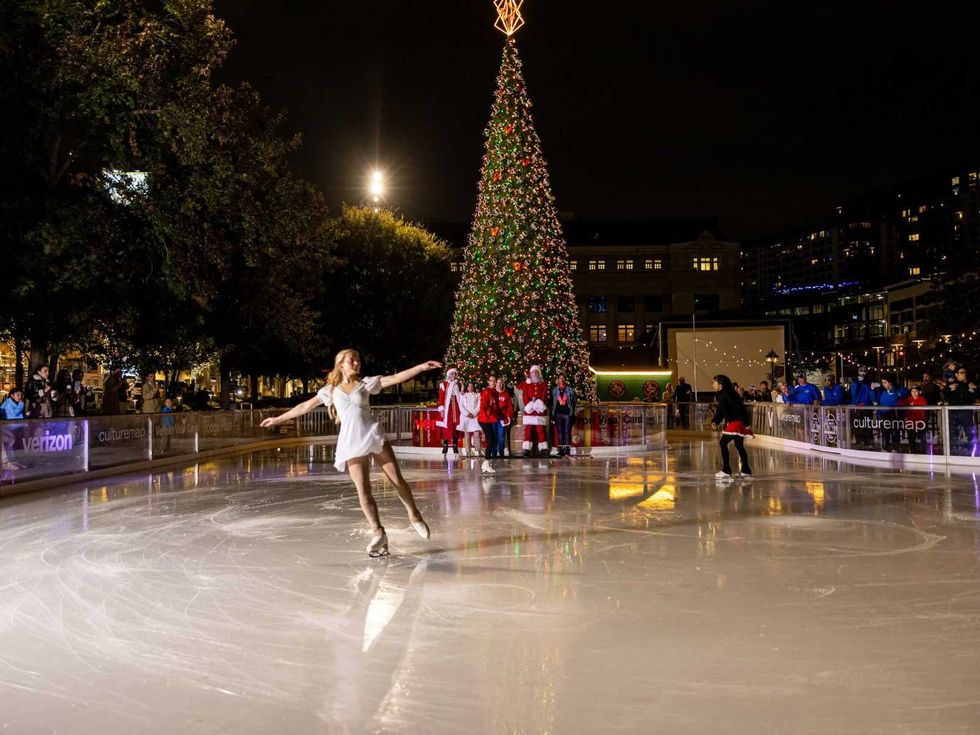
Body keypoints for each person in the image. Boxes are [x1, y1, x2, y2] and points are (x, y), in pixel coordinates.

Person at [260, 349, 437, 557]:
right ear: (341, 364)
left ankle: (414, 515)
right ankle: (378, 532)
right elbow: (305, 406)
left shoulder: (366, 384)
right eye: (352, 360)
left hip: (373, 435)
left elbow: (396, 378)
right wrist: (278, 419)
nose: (356, 363)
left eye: (358, 360)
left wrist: (421, 367)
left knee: (397, 480)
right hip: (351, 441)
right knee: (364, 491)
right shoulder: (330, 390)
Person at [710, 374, 753, 482]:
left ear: (720, 385)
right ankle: (746, 470)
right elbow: (721, 410)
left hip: (736, 422)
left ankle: (726, 470)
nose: (712, 385)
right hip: (736, 422)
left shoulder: (726, 395)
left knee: (723, 443)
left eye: (714, 383)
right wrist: (715, 421)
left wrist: (745, 423)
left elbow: (740, 408)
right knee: (739, 445)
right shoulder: (724, 394)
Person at [516, 365, 548, 456]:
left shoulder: (543, 385)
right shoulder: (526, 385)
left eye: (536, 372)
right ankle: (526, 449)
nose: (534, 373)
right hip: (529, 411)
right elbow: (524, 396)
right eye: (533, 372)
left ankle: (543, 449)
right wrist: (529, 405)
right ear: (530, 374)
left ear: (539, 373)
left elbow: (544, 396)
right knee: (528, 431)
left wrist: (539, 404)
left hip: (539, 411)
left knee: (541, 431)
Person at [435, 367, 463, 459]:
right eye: (452, 374)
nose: (453, 376)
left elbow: (461, 397)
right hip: (447, 409)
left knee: (456, 426)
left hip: (457, 408)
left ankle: (455, 445)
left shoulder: (459, 384)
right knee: (446, 427)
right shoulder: (443, 384)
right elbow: (441, 398)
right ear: (448, 374)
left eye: (455, 374)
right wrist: (442, 409)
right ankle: (446, 444)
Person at [477, 374, 500, 474]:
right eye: (491, 380)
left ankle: (487, 461)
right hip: (484, 419)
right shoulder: (486, 392)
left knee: (494, 441)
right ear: (488, 382)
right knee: (490, 441)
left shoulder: (495, 392)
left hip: (491, 419)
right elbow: (483, 406)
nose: (493, 382)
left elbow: (496, 407)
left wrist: (503, 418)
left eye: (494, 381)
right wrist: (487, 415)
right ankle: (485, 463)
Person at [1, 387, 26, 471]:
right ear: (12, 395)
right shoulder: (8, 405)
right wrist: (21, 405)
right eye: (17, 395)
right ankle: (7, 463)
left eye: (21, 395)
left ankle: (13, 461)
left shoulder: (14, 403)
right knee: (9, 442)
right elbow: (13, 416)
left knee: (14, 444)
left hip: (13, 427)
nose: (20, 397)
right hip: (8, 427)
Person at [551, 374, 575, 457]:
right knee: (560, 432)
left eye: (562, 378)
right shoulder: (554, 390)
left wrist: (573, 413)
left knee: (567, 432)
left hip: (567, 413)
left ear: (565, 379)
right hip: (558, 413)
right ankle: (561, 450)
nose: (561, 379)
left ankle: (567, 450)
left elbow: (573, 401)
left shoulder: (569, 390)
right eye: (559, 378)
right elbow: (553, 402)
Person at [456, 381, 482, 458]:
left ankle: (479, 451)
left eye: (471, 386)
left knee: (476, 435)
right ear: (467, 387)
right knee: (467, 435)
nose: (470, 388)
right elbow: (461, 406)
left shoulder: (477, 395)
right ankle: (468, 452)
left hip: (474, 417)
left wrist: (474, 413)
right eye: (469, 386)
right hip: (465, 417)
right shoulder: (463, 396)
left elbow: (479, 406)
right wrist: (467, 413)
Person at [904, 385, 928, 453]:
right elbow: (900, 403)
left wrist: (914, 403)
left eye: (916, 391)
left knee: (922, 439)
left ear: (919, 392)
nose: (914, 393)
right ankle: (913, 453)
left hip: (920, 422)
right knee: (911, 440)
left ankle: (924, 453)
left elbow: (924, 404)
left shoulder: (922, 399)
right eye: (912, 391)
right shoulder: (908, 399)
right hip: (911, 422)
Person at [495, 377, 515, 458]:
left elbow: (510, 407)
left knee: (501, 436)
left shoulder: (506, 395)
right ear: (495, 384)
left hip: (502, 419)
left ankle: (501, 452)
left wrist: (508, 417)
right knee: (493, 436)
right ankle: (493, 452)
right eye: (498, 382)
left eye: (501, 383)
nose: (499, 384)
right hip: (493, 418)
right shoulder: (492, 393)